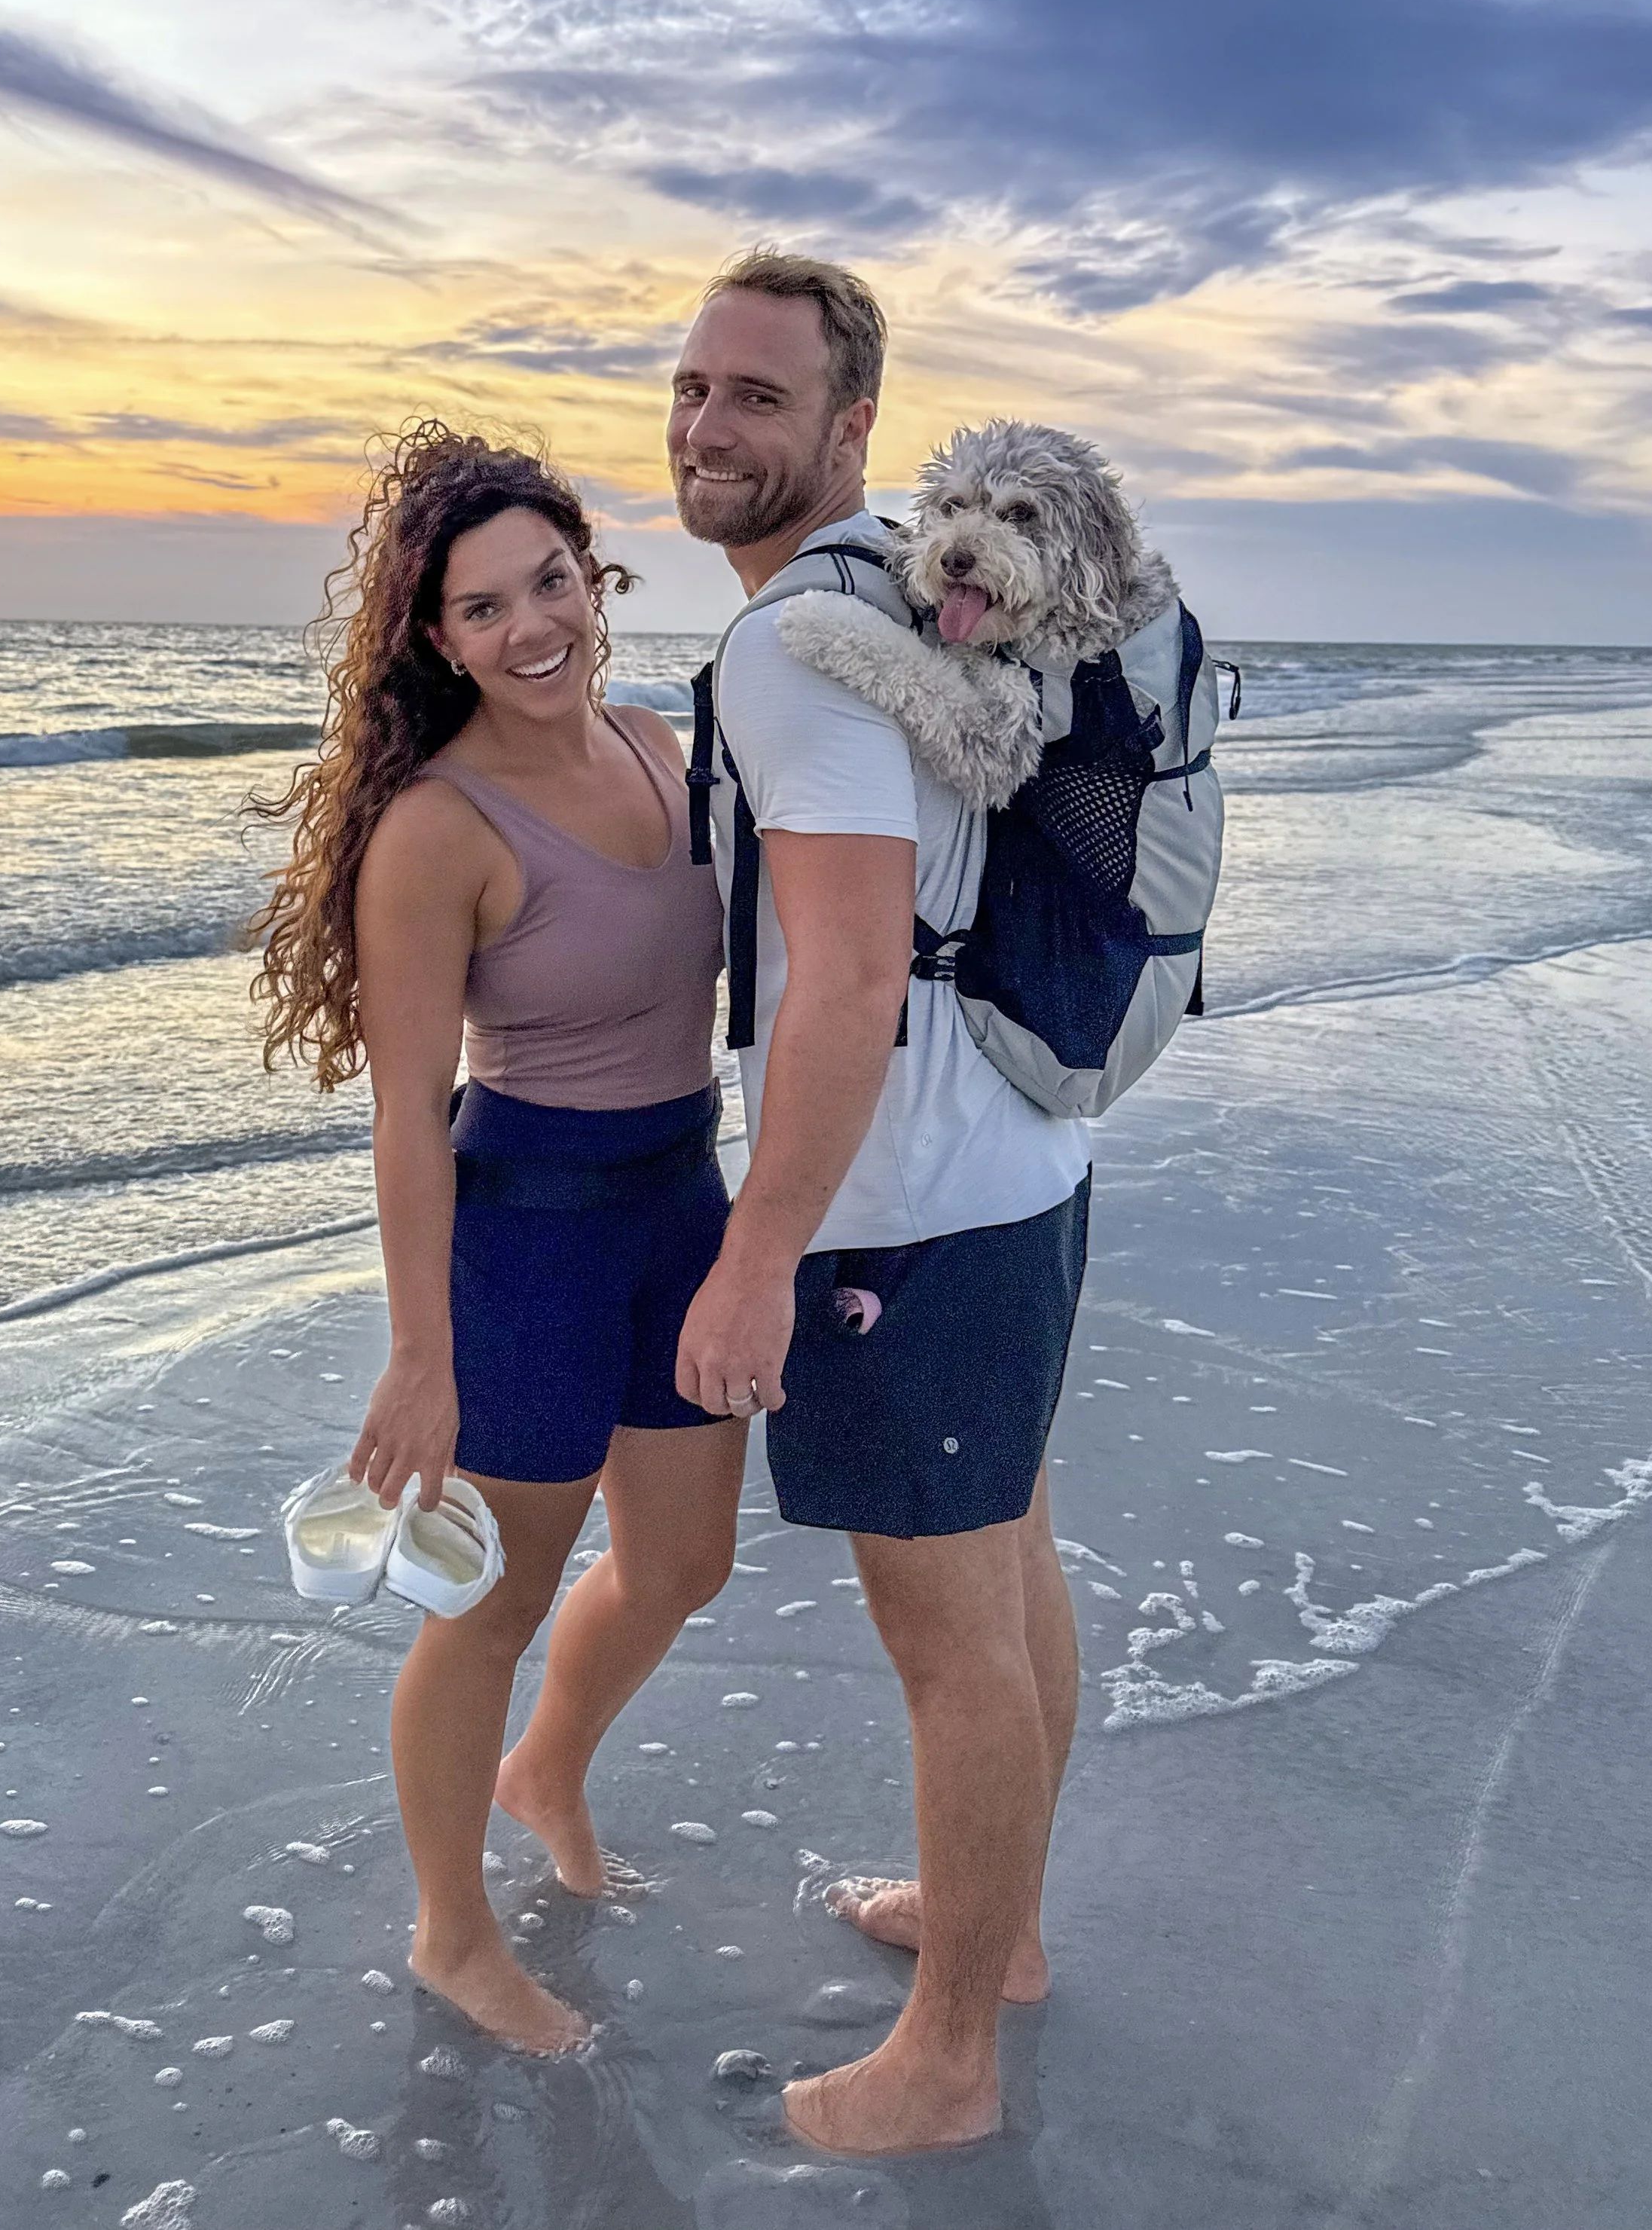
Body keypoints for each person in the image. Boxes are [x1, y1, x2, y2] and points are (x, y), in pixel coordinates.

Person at [248, 423, 747, 2053]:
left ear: (590, 579)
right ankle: (450, 1929)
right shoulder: (435, 832)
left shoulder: (664, 745)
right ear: (434, 637)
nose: (532, 626)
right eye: (482, 607)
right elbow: (407, 1112)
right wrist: (418, 1356)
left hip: (681, 1202)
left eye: (550, 581)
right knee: (488, 1605)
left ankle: (545, 1769)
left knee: (681, 1560)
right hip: (523, 1232)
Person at [669, 254, 1092, 2152]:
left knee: (949, 1637)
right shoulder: (900, 610)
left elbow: (840, 977)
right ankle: (987, 1940)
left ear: (852, 430)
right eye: (691, 388)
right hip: (1016, 1157)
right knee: (1006, 1575)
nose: (705, 426)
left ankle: (946, 2060)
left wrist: (759, 1251)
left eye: (756, 396)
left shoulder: (791, 647)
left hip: (899, 1208)